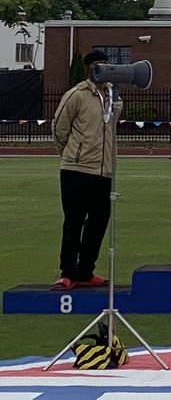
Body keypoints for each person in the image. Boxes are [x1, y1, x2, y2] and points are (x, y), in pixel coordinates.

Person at [50, 49, 122, 290]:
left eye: (105, 65)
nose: (101, 69)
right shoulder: (76, 94)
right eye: (96, 65)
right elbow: (59, 129)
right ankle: (67, 272)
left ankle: (85, 271)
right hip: (76, 168)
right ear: (87, 68)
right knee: (74, 221)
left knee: (99, 221)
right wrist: (72, 154)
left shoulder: (113, 95)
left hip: (104, 170)